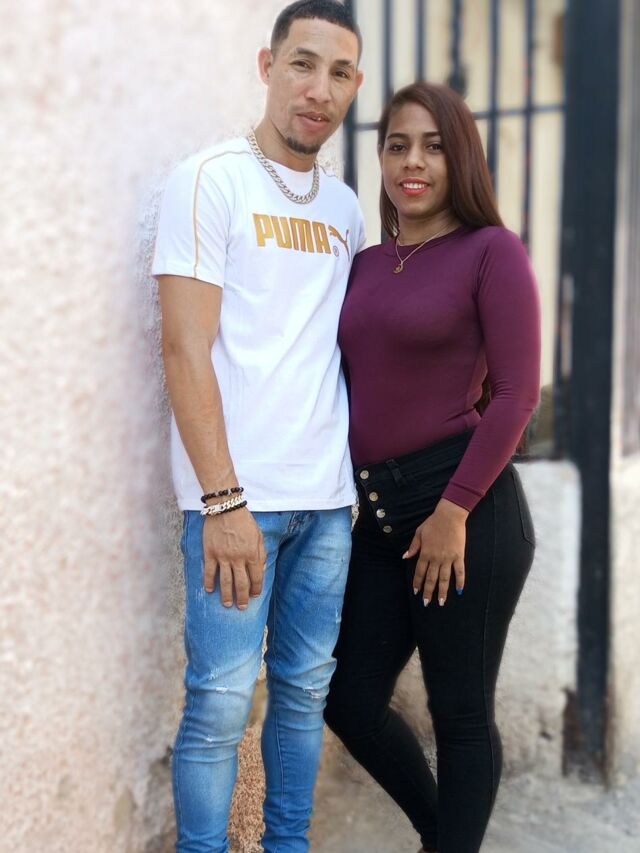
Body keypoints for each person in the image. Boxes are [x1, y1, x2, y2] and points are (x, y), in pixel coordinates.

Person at [152, 2, 364, 851]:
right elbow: (182, 348)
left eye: (339, 73)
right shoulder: (209, 179)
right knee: (219, 704)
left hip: (328, 505)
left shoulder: (346, 209)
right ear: (267, 66)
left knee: (305, 696)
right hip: (236, 502)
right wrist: (223, 500)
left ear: (354, 87)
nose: (319, 90)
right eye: (303, 64)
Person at [324, 81, 541, 853]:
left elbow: (517, 394)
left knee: (459, 712)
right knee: (348, 698)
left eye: (433, 146)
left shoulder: (491, 251)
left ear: (461, 159)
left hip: (466, 511)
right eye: (396, 145)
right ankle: (441, 837)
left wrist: (454, 510)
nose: (411, 162)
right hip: (382, 517)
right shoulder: (366, 263)